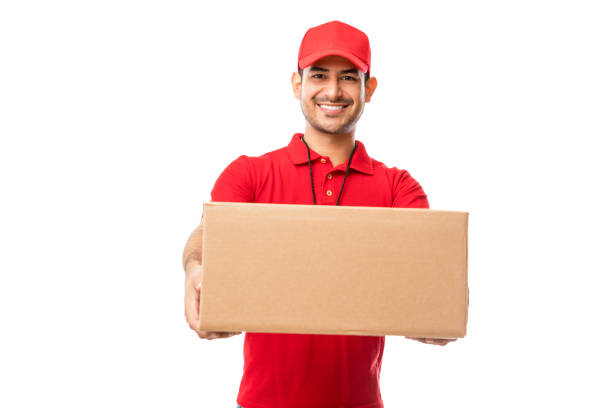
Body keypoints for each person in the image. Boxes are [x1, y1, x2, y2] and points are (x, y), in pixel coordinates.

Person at [183, 20, 457, 408]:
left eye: (348, 77)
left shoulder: (399, 187)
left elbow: (429, 271)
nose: (332, 91)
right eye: (318, 75)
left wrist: (443, 304)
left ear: (369, 88)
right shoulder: (250, 174)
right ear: (298, 84)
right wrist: (196, 268)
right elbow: (205, 236)